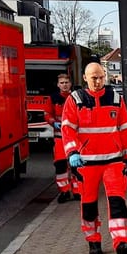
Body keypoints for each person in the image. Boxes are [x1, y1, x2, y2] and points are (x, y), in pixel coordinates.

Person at [61, 62, 127, 254]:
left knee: (117, 202)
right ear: (85, 78)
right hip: (86, 163)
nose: (98, 81)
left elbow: (126, 128)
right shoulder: (75, 100)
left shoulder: (115, 98)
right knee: (89, 205)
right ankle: (93, 241)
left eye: (101, 77)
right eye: (93, 77)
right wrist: (72, 153)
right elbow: (67, 128)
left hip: (113, 160)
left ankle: (122, 242)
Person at [50, 73, 80, 203]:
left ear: (70, 84)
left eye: (66, 82)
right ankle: (64, 191)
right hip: (59, 138)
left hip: (75, 137)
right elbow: (47, 114)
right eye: (61, 83)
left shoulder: (76, 97)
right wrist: (52, 122)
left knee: (76, 166)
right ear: (58, 85)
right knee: (61, 166)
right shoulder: (53, 98)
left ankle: (78, 191)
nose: (64, 85)